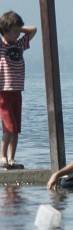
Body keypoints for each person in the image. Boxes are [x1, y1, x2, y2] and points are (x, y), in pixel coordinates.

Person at [0, 11, 37, 169]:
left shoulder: (19, 45)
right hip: (3, 92)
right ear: (5, 31)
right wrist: (5, 27)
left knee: (16, 129)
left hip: (17, 91)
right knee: (9, 126)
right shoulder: (2, 46)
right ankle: (2, 156)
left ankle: (12, 159)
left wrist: (18, 28)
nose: (17, 34)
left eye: (18, 31)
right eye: (14, 31)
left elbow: (33, 29)